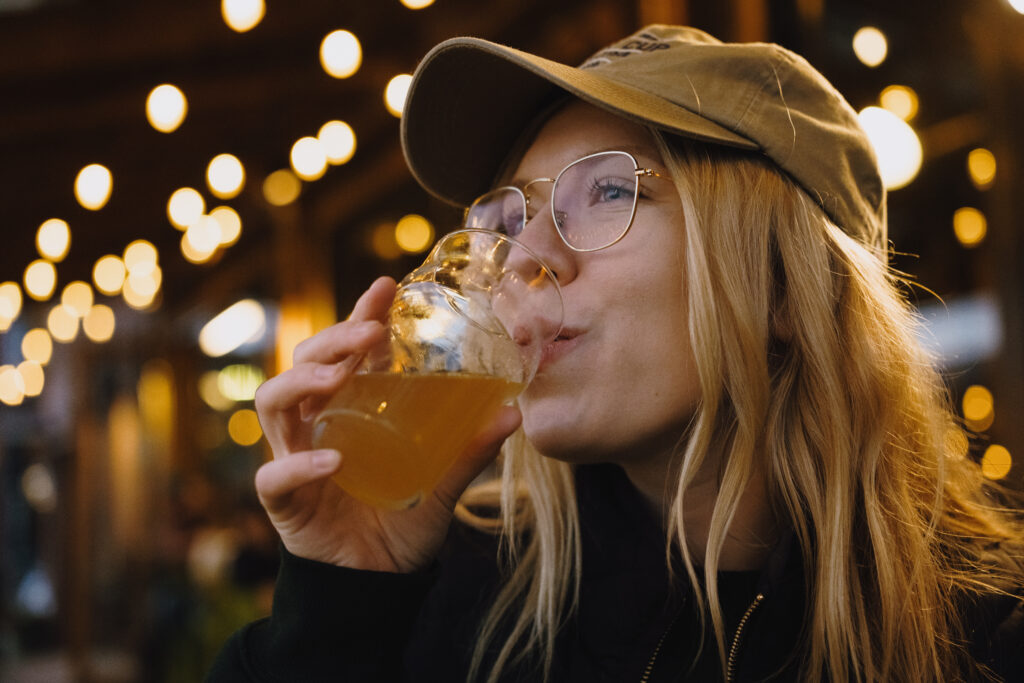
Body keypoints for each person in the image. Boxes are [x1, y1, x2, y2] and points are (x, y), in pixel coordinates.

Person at [207, 25, 1024, 683]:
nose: (527, 256)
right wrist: (342, 607)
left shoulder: (987, 635)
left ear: (780, 285)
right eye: (512, 211)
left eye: (605, 191)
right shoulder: (466, 609)